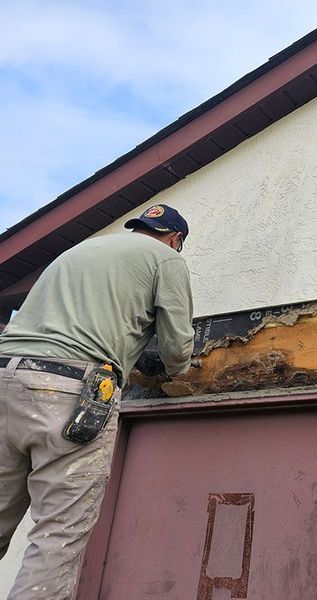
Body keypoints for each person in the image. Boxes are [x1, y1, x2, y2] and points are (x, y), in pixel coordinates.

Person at [0, 204, 195, 598]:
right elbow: (176, 350)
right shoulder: (165, 260)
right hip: (68, 389)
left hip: (5, 373)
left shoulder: (81, 250)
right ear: (175, 240)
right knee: (58, 534)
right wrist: (178, 368)